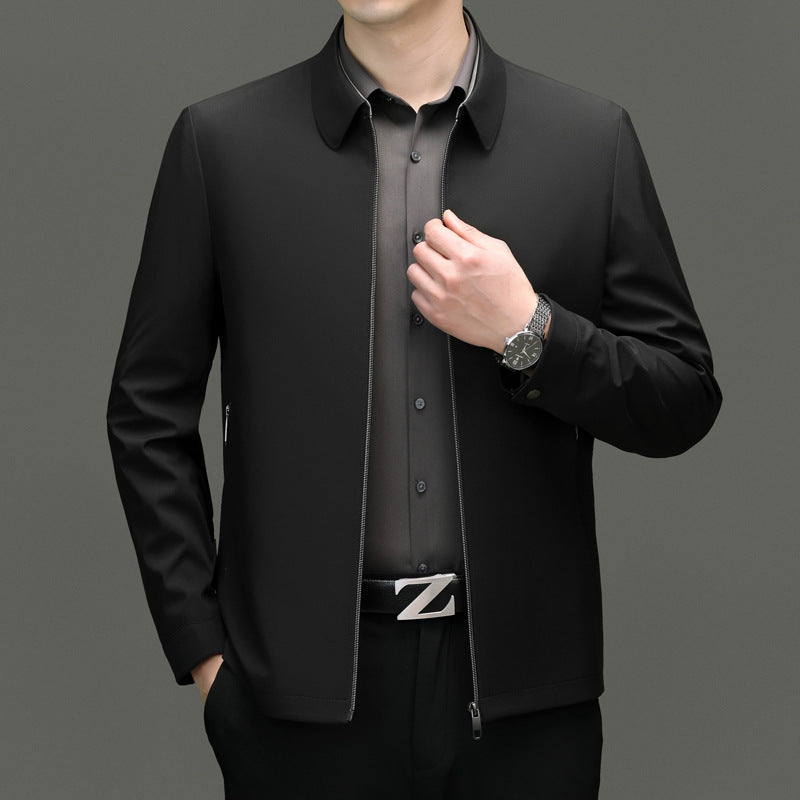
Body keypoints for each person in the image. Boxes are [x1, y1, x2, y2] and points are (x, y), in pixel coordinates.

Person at [105, 1, 722, 797]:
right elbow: (146, 412)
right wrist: (204, 653)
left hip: (527, 709)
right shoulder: (221, 143)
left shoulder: (588, 140)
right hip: (294, 710)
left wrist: (528, 331)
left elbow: (682, 397)